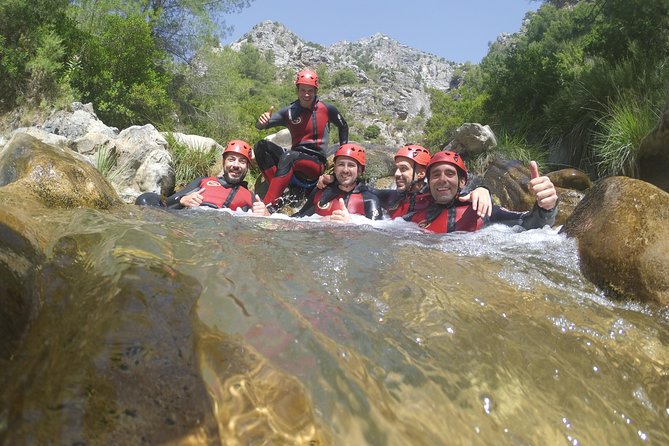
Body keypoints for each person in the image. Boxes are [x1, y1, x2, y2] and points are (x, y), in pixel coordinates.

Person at [254, 68, 349, 208]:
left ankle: (268, 207)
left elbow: (343, 126)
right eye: (303, 90)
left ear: (316, 91)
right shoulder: (289, 112)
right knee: (260, 146)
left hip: (315, 163)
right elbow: (260, 126)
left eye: (310, 90)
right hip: (294, 159)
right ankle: (279, 193)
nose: (306, 94)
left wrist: (342, 154)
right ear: (297, 91)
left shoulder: (327, 109)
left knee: (290, 156)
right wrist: (261, 121)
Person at [317, 144, 493, 219]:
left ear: (421, 173)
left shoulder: (435, 197)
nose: (396, 174)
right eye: (396, 168)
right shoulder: (392, 197)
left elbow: (456, 194)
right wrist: (331, 180)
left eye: (403, 169)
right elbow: (360, 188)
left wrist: (482, 189)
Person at [405, 151, 558, 233]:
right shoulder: (413, 207)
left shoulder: (480, 210)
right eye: (436, 174)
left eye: (450, 174)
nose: (442, 179)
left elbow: (531, 225)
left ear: (462, 182)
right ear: (429, 181)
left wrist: (546, 208)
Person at [135, 139, 269, 216]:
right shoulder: (203, 181)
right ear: (223, 162)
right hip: (190, 223)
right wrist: (183, 199)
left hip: (223, 232)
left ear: (247, 168)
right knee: (145, 199)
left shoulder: (250, 197)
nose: (236, 165)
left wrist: (266, 215)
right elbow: (167, 203)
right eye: (231, 159)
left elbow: (273, 223)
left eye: (242, 162)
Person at [292, 143, 382, 223]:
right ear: (335, 168)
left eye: (351, 165)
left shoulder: (370, 200)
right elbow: (299, 218)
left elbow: (377, 234)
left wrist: (350, 224)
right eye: (341, 164)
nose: (345, 170)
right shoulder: (321, 192)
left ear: (360, 170)